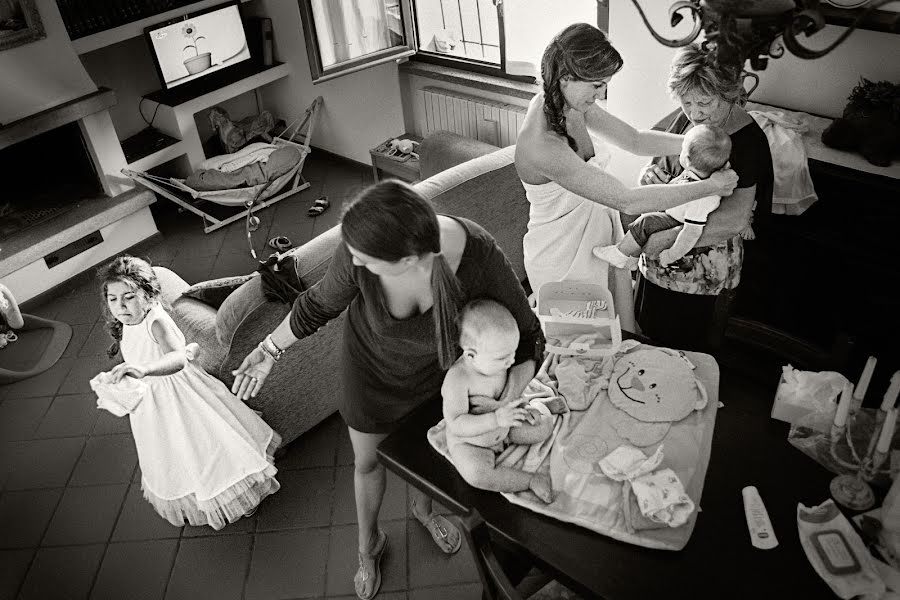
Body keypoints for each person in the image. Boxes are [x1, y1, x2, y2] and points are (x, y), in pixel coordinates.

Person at [230, 180, 544, 600]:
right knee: (367, 463)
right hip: (370, 376)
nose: (354, 262)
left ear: (411, 260)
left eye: (365, 260)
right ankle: (369, 545)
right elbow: (319, 303)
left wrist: (499, 406)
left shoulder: (478, 257)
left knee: (426, 458)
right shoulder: (360, 250)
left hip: (439, 381)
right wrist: (269, 349)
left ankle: (422, 508)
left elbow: (529, 339)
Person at [515, 23, 738, 333]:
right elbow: (627, 199)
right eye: (596, 85)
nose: (602, 94)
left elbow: (634, 140)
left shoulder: (569, 103)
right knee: (581, 351)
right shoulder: (542, 145)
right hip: (562, 256)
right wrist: (710, 186)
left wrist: (698, 145)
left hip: (600, 239)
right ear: (566, 76)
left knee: (615, 342)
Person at [96, 256, 280, 530]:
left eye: (129, 297)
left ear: (148, 295)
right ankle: (198, 492)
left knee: (206, 444)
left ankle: (239, 492)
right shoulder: (128, 321)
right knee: (177, 451)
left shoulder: (155, 322)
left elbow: (177, 359)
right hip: (153, 401)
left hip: (180, 395)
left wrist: (144, 370)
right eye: (113, 299)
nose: (120, 306)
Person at [634, 44, 775, 352]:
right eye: (686, 102)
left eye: (704, 103)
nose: (695, 112)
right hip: (657, 261)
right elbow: (659, 165)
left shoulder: (748, 142)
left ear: (729, 92)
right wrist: (649, 176)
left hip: (700, 276)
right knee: (647, 347)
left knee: (688, 356)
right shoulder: (688, 119)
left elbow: (736, 218)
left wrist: (669, 239)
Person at [442, 299, 554, 503]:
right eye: (503, 358)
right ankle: (529, 481)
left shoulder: (496, 362)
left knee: (543, 427)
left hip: (505, 428)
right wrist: (495, 420)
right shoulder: (457, 380)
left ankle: (541, 408)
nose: (510, 362)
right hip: (472, 443)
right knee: (476, 474)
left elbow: (509, 394)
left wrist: (523, 409)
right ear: (471, 355)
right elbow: (456, 424)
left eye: (513, 353)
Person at [593, 124, 732, 270]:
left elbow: (691, 233)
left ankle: (620, 253)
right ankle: (633, 258)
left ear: (686, 158)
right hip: (671, 212)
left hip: (675, 221)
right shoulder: (698, 175)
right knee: (643, 213)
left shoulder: (703, 198)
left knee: (646, 222)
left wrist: (671, 255)